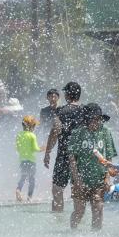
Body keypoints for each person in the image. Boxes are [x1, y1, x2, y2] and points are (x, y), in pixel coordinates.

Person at [67, 103, 116, 231]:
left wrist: (107, 178)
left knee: (98, 208)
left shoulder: (105, 131)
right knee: (79, 211)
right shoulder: (77, 133)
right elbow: (72, 159)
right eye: (93, 119)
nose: (96, 122)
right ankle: (72, 233)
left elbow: (109, 157)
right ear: (86, 120)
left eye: (98, 119)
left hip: (99, 178)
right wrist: (77, 180)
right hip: (80, 179)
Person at [43, 82, 84, 212]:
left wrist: (47, 152)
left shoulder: (61, 111)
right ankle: (79, 217)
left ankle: (58, 218)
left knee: (57, 189)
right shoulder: (85, 111)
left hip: (64, 156)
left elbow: (55, 131)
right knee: (78, 187)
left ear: (67, 94)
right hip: (82, 156)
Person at [15, 115, 41, 201]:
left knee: (23, 177)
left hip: (22, 160)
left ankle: (18, 190)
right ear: (32, 126)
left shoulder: (19, 135)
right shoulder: (32, 135)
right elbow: (35, 148)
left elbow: (18, 149)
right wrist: (42, 149)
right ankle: (29, 198)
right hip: (31, 161)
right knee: (31, 179)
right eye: (34, 126)